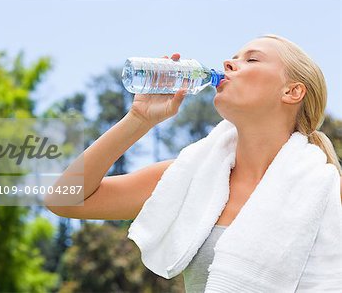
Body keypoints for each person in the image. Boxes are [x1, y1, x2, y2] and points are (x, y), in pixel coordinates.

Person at [45, 34, 342, 290]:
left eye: (252, 60)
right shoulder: (191, 177)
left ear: (292, 91)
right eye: (233, 57)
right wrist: (138, 120)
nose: (229, 63)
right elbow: (63, 199)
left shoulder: (327, 191)